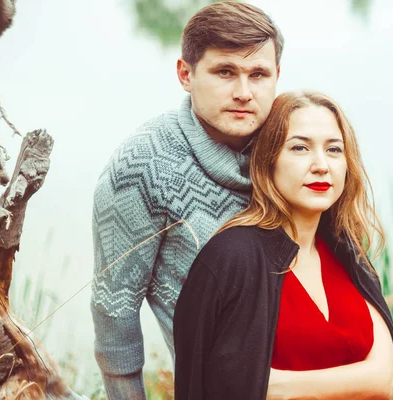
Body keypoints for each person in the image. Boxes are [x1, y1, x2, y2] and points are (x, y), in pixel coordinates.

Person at [90, 2, 284, 398]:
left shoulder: (295, 147)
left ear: (277, 76)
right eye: (225, 72)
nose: (244, 93)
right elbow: (115, 311)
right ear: (185, 74)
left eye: (258, 74)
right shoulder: (142, 167)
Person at [174, 91, 393, 400]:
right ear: (269, 159)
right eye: (300, 147)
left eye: (334, 149)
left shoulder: (348, 253)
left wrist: (278, 387)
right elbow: (218, 387)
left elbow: (381, 380)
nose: (321, 165)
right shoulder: (231, 257)